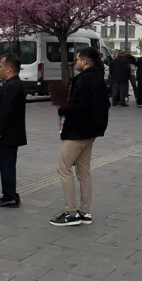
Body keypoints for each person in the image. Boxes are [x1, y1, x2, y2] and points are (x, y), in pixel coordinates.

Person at [51, 47, 110, 227]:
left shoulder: (85, 79)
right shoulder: (99, 78)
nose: (75, 62)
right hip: (91, 131)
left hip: (78, 131)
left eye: (77, 59)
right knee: (84, 171)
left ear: (85, 61)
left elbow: (78, 105)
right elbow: (105, 104)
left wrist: (62, 110)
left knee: (64, 168)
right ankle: (85, 212)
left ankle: (71, 212)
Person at [0, 53, 27, 208]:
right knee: (6, 165)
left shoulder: (13, 86)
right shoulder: (13, 84)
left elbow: (7, 110)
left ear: (9, 69)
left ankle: (9, 196)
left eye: (1, 66)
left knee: (7, 166)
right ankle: (9, 193)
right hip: (9, 134)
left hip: (6, 135)